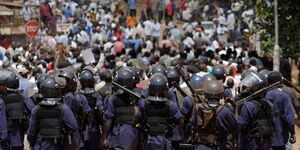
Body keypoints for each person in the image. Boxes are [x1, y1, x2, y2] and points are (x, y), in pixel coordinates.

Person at [27, 77, 80, 150]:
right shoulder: (64, 108)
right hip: (59, 145)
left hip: (41, 146)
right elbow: (73, 128)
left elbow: (31, 133)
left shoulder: (36, 109)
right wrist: (75, 146)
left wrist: (32, 144)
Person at [141, 73, 184, 150]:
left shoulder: (143, 103)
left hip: (149, 139)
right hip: (165, 139)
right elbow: (181, 122)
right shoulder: (172, 105)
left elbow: (138, 120)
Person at [102, 68, 142, 150]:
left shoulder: (112, 98)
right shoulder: (138, 96)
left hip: (119, 132)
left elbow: (109, 119)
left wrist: (104, 137)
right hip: (135, 132)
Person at [191, 80, 237, 150]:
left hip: (200, 146)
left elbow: (192, 124)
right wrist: (235, 107)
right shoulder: (225, 111)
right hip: (217, 146)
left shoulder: (197, 108)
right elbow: (236, 126)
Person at [237, 72, 274, 150]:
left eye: (248, 87)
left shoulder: (248, 106)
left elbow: (240, 125)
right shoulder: (269, 103)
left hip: (251, 144)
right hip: (266, 143)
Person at [58, 67, 91, 148]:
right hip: (76, 133)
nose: (61, 84)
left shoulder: (68, 97)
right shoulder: (81, 96)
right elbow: (87, 114)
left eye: (64, 81)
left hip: (69, 134)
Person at [2, 71, 35, 150]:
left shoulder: (2, 97)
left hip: (6, 130)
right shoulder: (22, 96)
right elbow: (33, 109)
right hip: (19, 130)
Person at [264, 71, 296, 150]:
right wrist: (292, 133)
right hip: (279, 139)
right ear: (280, 82)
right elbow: (289, 118)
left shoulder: (262, 95)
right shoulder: (284, 96)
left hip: (263, 140)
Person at [78, 69, 104, 150]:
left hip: (81, 129)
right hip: (94, 128)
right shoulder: (97, 96)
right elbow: (101, 112)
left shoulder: (76, 96)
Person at [0, 70, 11, 150]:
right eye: (3, 85)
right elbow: (2, 123)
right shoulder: (0, 102)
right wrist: (3, 139)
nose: (5, 87)